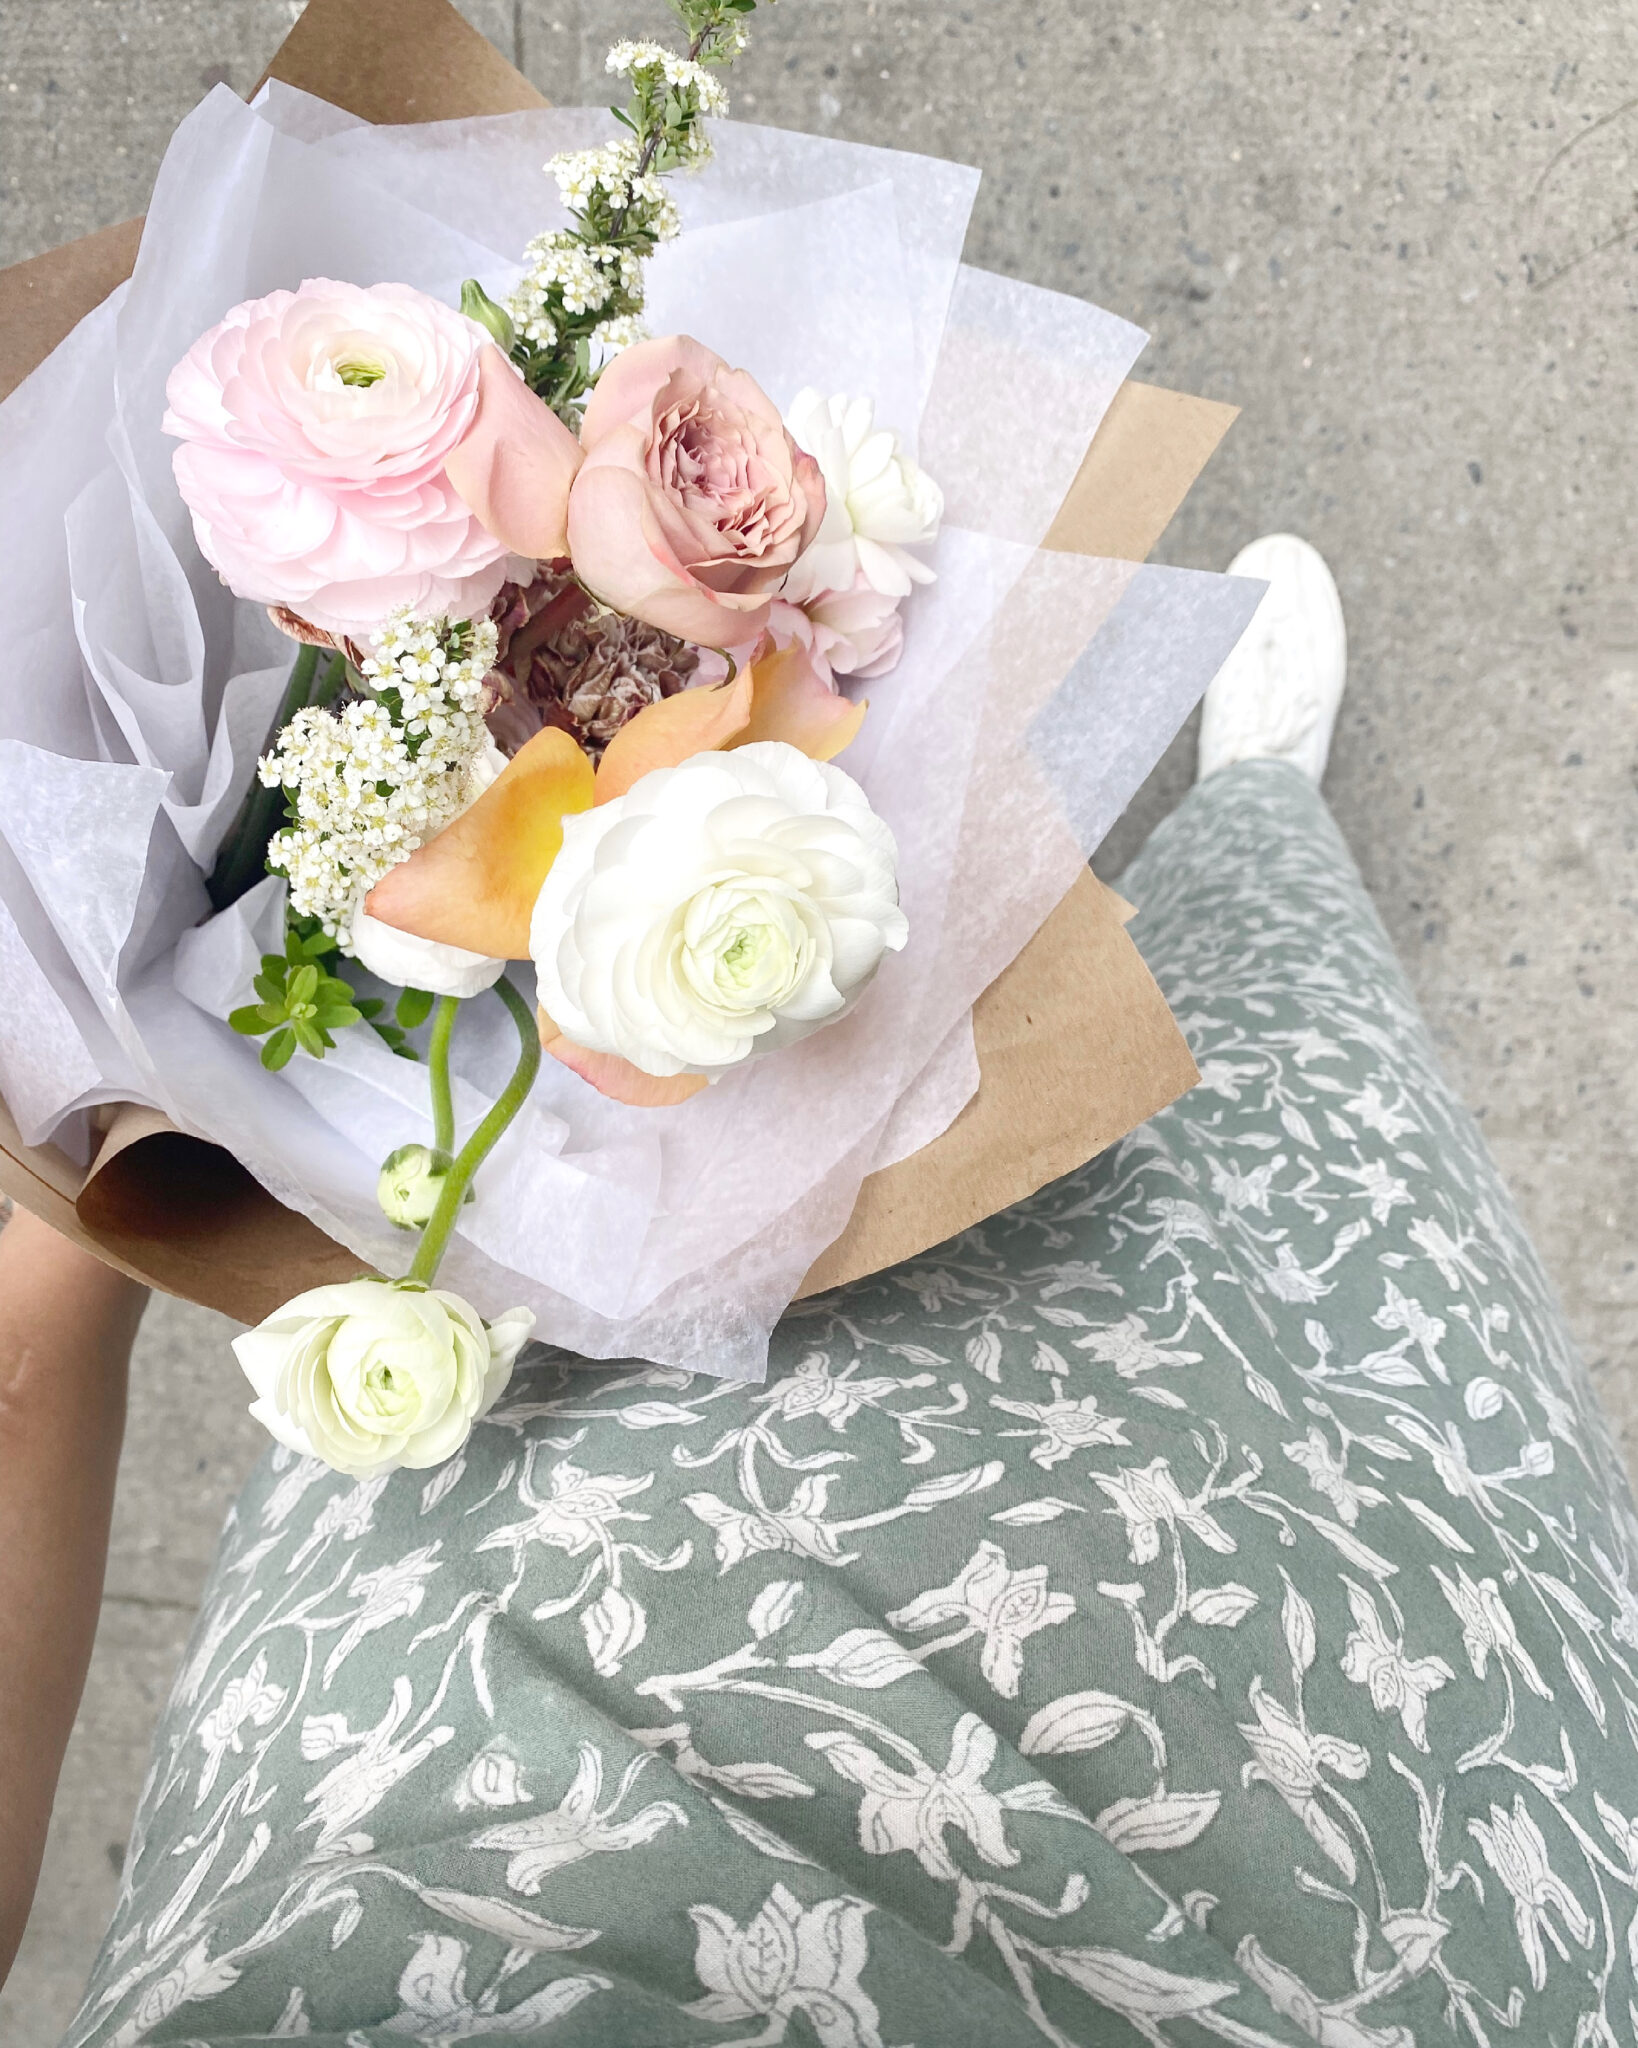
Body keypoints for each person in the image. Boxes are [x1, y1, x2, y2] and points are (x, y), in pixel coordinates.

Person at [7, 538, 1635, 2047]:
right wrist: (103, 1133)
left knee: (582, 1201)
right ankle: (1251, 847)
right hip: (1285, 1903)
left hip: (431, 1711)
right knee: (1264, 1276)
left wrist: (131, 1104)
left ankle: (972, 870)